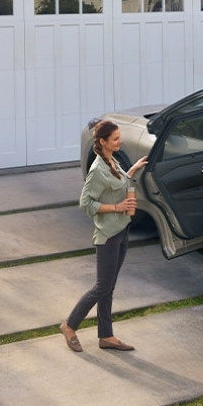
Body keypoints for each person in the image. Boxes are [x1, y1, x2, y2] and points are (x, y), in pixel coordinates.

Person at [60, 120, 148, 353]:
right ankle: (69, 325)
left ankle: (106, 336)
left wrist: (132, 170)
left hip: (121, 230)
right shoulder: (98, 169)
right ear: (103, 141)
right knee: (102, 286)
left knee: (109, 286)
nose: (120, 141)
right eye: (116, 138)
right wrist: (118, 207)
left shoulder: (112, 161)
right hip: (108, 235)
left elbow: (117, 183)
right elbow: (85, 203)